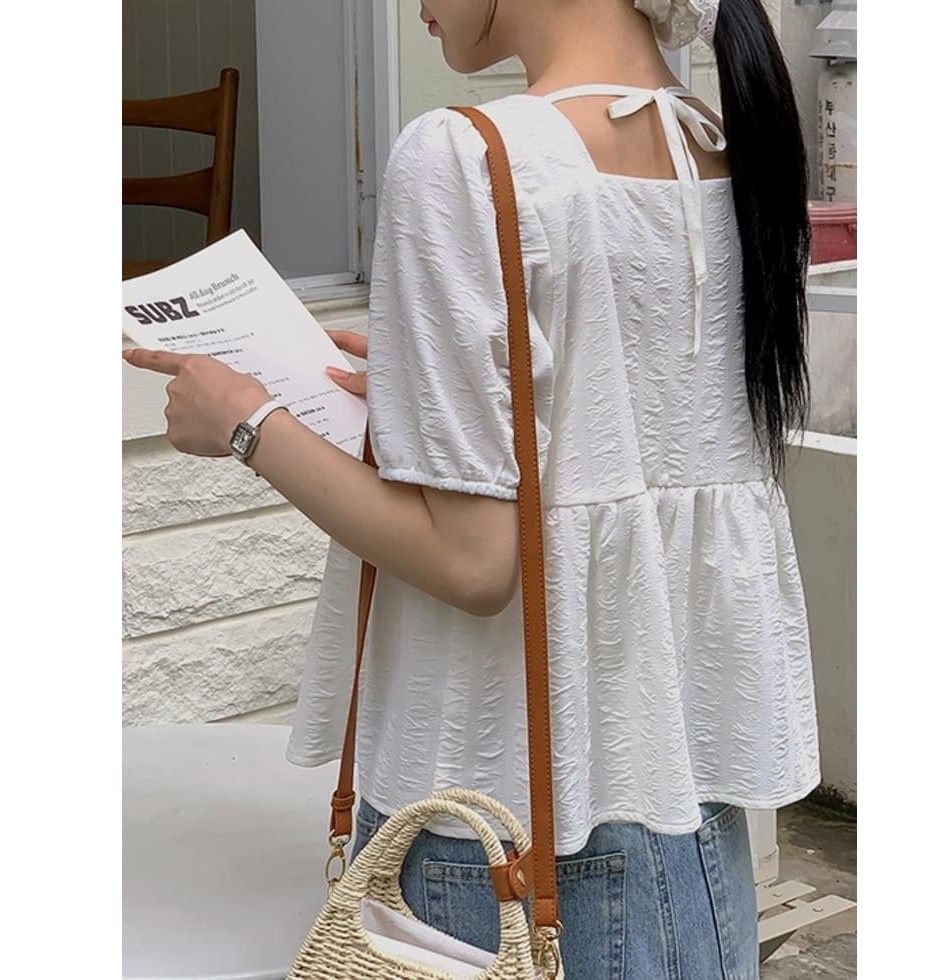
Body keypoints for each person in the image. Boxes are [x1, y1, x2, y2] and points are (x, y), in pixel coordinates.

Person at [123, 0, 820, 976]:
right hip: (688, 814)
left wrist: (247, 422)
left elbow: (472, 562)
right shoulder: (723, 142)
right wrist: (424, 399)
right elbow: (622, 438)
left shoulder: (464, 157)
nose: (412, 7)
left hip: (498, 820)